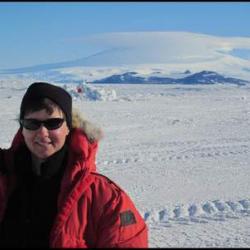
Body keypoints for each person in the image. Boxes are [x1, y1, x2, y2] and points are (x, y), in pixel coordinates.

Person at [0, 82, 148, 248]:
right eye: (32, 123)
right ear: (22, 128)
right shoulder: (4, 178)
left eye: (53, 123)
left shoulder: (107, 199)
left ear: (68, 127)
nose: (42, 132)